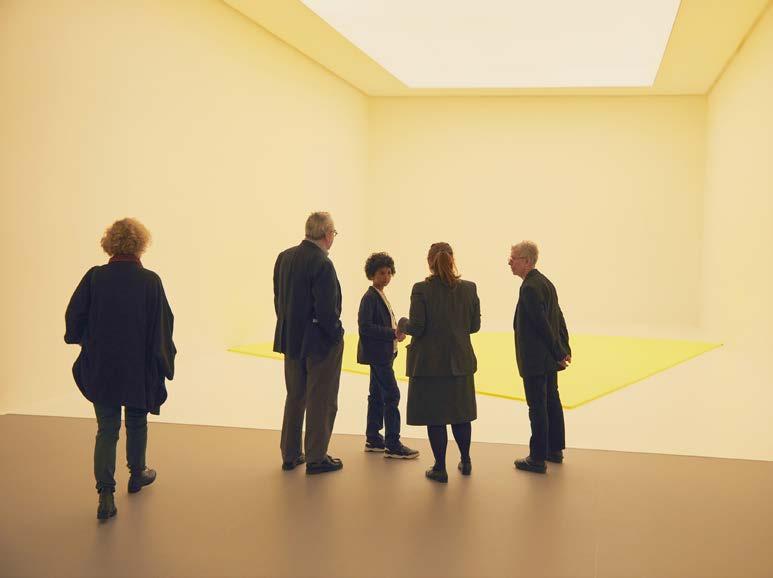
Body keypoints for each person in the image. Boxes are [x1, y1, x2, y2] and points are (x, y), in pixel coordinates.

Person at [64, 218, 176, 520]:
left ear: (110, 244)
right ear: (140, 244)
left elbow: (74, 319)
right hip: (138, 367)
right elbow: (163, 327)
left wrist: (87, 342)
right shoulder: (150, 281)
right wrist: (163, 362)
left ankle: (105, 495)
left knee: (107, 429)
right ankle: (137, 473)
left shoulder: (95, 278)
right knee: (137, 422)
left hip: (103, 365)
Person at [397, 242, 480, 483]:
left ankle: (440, 468)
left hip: (429, 364)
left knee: (436, 417)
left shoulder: (421, 289)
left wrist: (402, 323)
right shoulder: (469, 288)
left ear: (429, 261)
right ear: (453, 259)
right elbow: (474, 326)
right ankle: (466, 461)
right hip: (460, 362)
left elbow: (417, 327)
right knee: (461, 415)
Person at [273, 212, 344, 475]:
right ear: (326, 234)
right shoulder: (322, 263)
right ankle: (316, 456)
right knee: (321, 399)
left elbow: (279, 299)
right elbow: (327, 310)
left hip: (291, 338)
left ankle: (290, 454)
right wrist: (336, 334)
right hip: (319, 343)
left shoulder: (285, 257)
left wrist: (289, 326)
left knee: (295, 396)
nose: (333, 237)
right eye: (333, 233)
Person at [509, 241, 571, 474]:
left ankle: (537, 458)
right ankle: (554, 450)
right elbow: (558, 318)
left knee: (537, 407)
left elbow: (543, 325)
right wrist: (563, 348)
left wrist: (560, 351)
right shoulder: (545, 283)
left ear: (526, 261)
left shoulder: (529, 288)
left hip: (536, 359)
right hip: (548, 360)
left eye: (513, 258)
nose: (509, 262)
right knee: (551, 402)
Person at [357, 252, 419, 459]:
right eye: (381, 273)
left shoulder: (379, 295)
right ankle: (392, 443)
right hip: (379, 356)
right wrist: (392, 333)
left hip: (383, 355)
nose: (386, 277)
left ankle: (373, 438)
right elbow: (365, 327)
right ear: (371, 274)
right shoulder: (370, 298)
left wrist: (395, 335)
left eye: (389, 273)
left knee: (376, 395)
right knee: (392, 395)